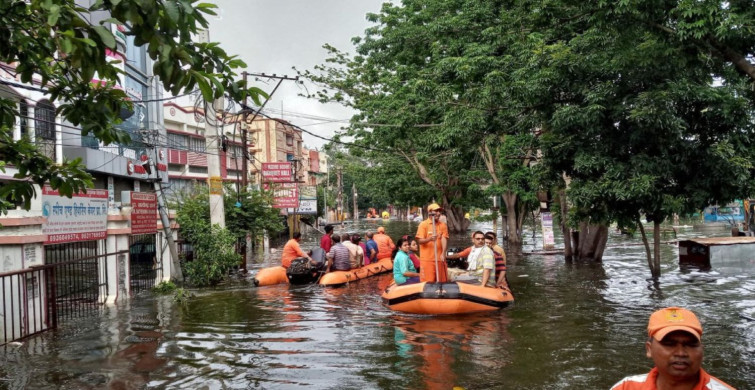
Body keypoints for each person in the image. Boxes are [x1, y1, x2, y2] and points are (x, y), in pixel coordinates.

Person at [611, 307, 735, 390]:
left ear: (702, 350)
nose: (681, 353)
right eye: (669, 344)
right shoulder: (626, 387)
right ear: (649, 349)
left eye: (691, 344)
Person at [416, 203, 449, 283]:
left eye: (439, 211)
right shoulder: (423, 224)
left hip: (440, 259)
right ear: (430, 212)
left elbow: (444, 238)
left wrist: (443, 253)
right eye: (436, 211)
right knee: (428, 283)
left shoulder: (443, 225)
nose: (438, 213)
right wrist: (429, 239)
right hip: (427, 260)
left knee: (442, 282)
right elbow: (420, 241)